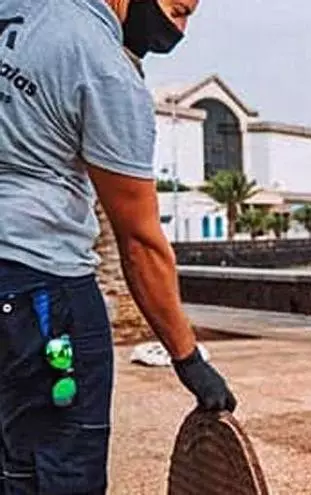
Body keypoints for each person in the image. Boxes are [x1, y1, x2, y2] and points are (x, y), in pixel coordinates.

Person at [0, 0, 237, 492]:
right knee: (63, 470)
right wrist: (189, 360)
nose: (180, 30)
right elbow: (140, 243)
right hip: (41, 288)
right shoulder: (105, 69)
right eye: (178, 9)